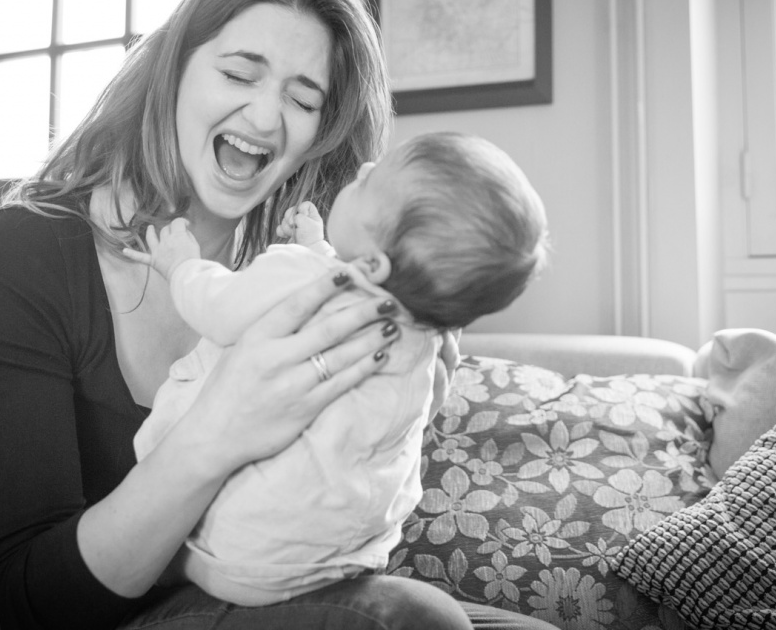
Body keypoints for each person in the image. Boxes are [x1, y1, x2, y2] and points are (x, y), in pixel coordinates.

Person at [0, 0, 559, 630]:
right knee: (420, 622)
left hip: (234, 578)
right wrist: (219, 431)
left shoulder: (305, 261)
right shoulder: (27, 249)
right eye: (238, 74)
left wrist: (401, 403)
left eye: (302, 97)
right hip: (50, 605)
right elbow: (32, 595)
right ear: (174, 72)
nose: (266, 118)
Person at [125, 130, 550, 607]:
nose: (365, 170)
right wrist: (319, 244)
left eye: (371, 184)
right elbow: (353, 288)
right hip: (340, 557)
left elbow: (219, 309)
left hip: (234, 554)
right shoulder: (418, 342)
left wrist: (181, 265)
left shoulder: (296, 274)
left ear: (371, 261)